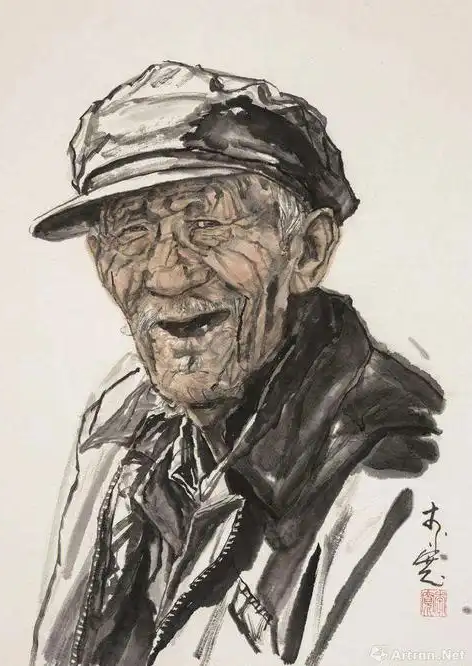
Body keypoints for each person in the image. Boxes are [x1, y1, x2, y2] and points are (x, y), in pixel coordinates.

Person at [29, 61, 443, 666]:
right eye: (133, 233)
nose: (167, 275)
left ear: (308, 250)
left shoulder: (403, 478)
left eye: (207, 223)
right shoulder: (118, 418)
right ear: (99, 258)